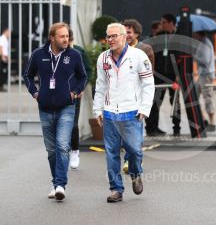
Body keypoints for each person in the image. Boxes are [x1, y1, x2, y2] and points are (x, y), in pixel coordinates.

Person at [23, 22, 87, 201]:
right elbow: (27, 75)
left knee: (62, 145)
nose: (66, 39)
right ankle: (55, 182)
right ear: (52, 37)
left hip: (67, 106)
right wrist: (35, 92)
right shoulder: (38, 55)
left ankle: (60, 185)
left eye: (67, 36)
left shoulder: (74, 55)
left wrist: (74, 91)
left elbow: (83, 76)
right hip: (44, 108)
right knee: (51, 150)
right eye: (62, 36)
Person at [93, 23, 154, 203]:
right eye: (108, 36)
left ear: (124, 37)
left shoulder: (138, 56)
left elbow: (148, 84)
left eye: (113, 36)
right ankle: (116, 189)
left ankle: (136, 174)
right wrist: (98, 109)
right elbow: (100, 86)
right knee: (111, 153)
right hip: (110, 113)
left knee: (135, 151)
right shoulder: (103, 58)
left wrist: (144, 108)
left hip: (132, 113)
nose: (110, 40)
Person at [122, 19, 155, 173]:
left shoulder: (145, 49)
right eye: (124, 32)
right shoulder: (118, 48)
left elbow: (149, 74)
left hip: (138, 98)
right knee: (124, 132)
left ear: (136, 33)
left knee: (137, 132)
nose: (126, 35)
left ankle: (132, 160)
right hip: (121, 98)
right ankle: (130, 158)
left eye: (129, 32)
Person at [148, 13, 181, 136]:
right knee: (155, 102)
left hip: (173, 75)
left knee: (175, 102)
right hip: (159, 74)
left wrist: (179, 75)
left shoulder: (179, 37)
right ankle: (152, 128)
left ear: (171, 23)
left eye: (163, 23)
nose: (161, 25)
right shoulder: (160, 37)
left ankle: (176, 128)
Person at [68, 29, 92, 169]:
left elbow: (87, 70)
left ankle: (75, 151)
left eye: (68, 38)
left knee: (73, 124)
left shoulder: (79, 51)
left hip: (74, 92)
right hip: (57, 94)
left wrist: (81, 87)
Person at [192, 31, 216, 131]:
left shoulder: (205, 44)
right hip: (203, 75)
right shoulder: (203, 43)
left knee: (207, 98)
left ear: (199, 34)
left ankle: (212, 123)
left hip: (206, 75)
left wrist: (194, 56)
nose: (193, 36)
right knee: (194, 96)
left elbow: (205, 61)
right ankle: (203, 120)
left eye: (194, 34)